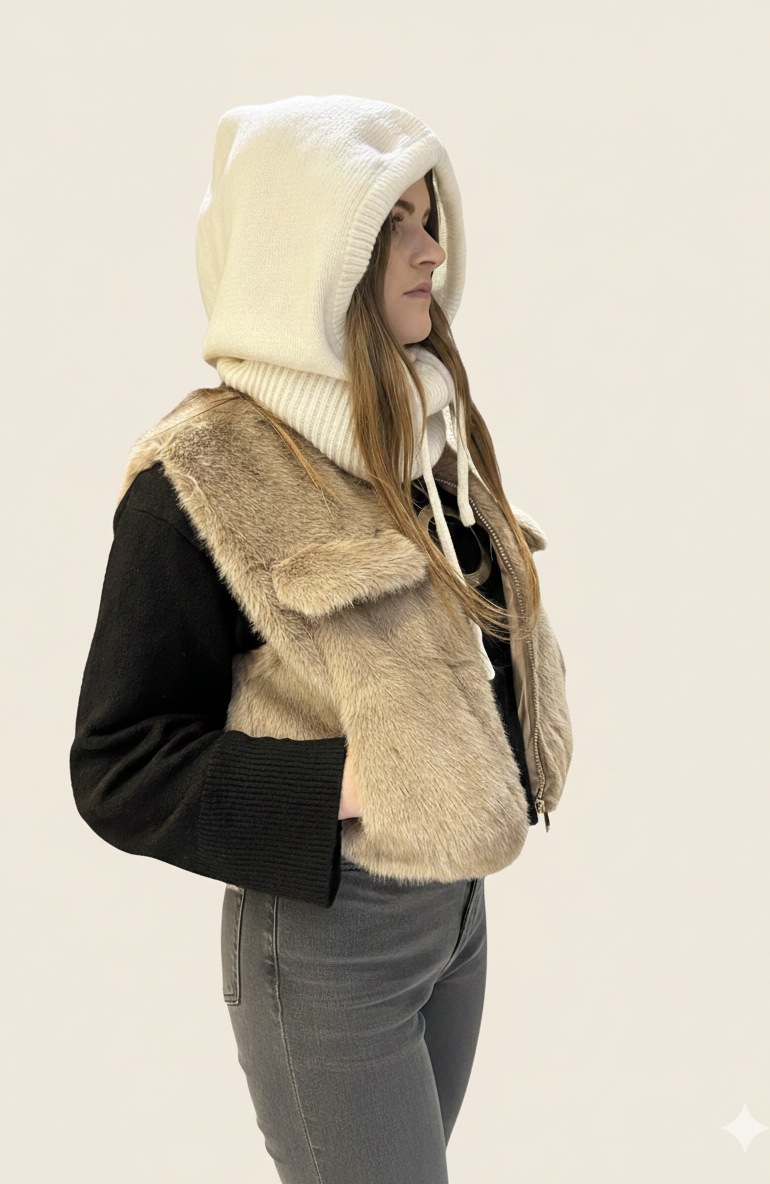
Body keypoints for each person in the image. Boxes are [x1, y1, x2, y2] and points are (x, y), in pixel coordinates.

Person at [70, 93, 573, 1184]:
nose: (433, 250)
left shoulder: (417, 427)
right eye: (393, 225)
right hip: (329, 941)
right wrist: (361, 776)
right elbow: (117, 761)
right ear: (309, 251)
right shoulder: (199, 476)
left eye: (430, 216)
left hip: (458, 917)